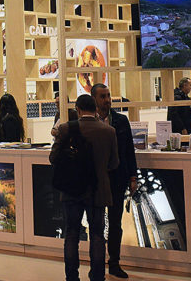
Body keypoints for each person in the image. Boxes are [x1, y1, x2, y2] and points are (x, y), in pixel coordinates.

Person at [50, 94, 119, 281]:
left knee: (71, 233)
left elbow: (53, 158)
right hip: (98, 189)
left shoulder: (65, 129)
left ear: (78, 109)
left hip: (72, 189)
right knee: (97, 235)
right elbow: (113, 163)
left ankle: (71, 276)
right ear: (96, 109)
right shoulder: (109, 131)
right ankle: (97, 276)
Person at [91, 83, 137, 279]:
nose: (107, 100)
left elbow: (129, 151)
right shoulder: (87, 122)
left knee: (116, 224)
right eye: (103, 96)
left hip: (118, 179)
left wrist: (133, 176)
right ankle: (97, 265)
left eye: (108, 95)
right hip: (96, 180)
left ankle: (114, 263)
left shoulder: (121, 121)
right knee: (97, 224)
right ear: (94, 99)